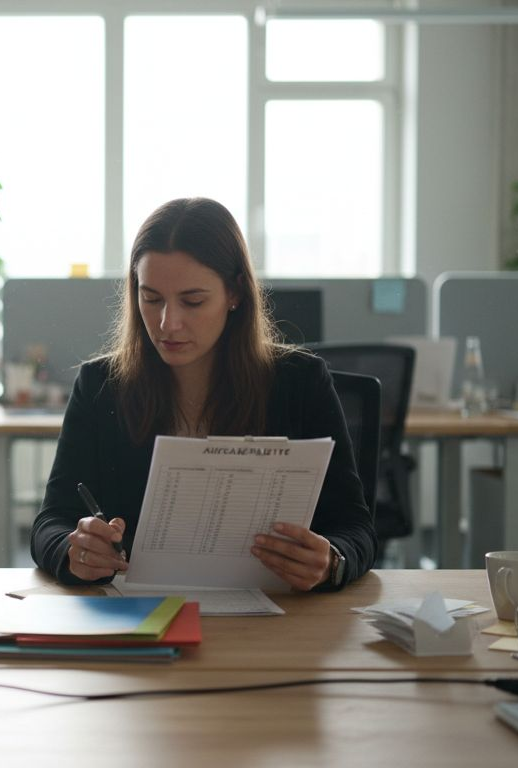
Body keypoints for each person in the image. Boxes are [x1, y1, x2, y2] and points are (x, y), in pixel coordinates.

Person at [30, 197, 376, 591]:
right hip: (137, 617)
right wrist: (73, 550)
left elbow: (356, 527)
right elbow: (51, 522)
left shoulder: (300, 382)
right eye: (151, 298)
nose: (167, 323)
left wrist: (332, 559)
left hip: (274, 617)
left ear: (235, 293)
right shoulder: (101, 385)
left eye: (193, 301)